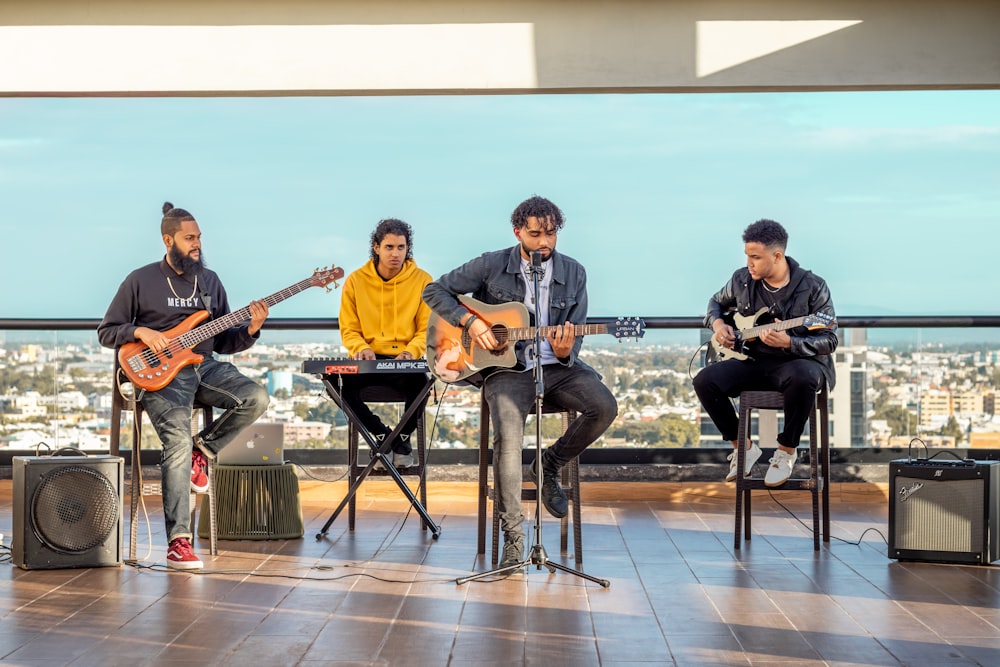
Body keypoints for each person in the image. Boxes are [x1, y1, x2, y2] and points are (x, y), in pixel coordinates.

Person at [422, 195, 618, 570]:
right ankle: (514, 536)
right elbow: (434, 291)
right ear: (518, 233)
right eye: (535, 234)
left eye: (551, 234)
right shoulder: (491, 263)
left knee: (604, 406)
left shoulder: (575, 273)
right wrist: (472, 322)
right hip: (505, 371)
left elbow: (573, 337)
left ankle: (548, 464)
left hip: (556, 368)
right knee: (508, 441)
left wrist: (563, 352)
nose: (544, 242)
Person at [98, 202, 270, 570]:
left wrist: (252, 329)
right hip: (160, 374)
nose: (197, 244)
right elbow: (107, 331)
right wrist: (140, 331)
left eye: (199, 238)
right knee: (174, 439)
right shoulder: (140, 280)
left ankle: (202, 450)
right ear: (168, 239)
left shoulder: (209, 281)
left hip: (204, 365)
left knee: (255, 396)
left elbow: (224, 341)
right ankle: (179, 541)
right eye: (189, 238)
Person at [693, 219, 837, 487]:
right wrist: (719, 324)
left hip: (798, 362)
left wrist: (789, 343)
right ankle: (743, 447)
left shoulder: (814, 286)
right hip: (754, 361)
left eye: (756, 257)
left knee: (803, 375)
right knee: (704, 380)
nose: (749, 263)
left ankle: (785, 452)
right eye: (747, 256)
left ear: (777, 255)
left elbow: (829, 338)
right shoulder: (741, 280)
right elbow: (715, 302)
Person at [337, 218, 433, 468]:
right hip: (368, 359)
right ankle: (382, 436)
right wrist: (361, 348)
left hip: (404, 360)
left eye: (401, 247)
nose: (395, 254)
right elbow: (348, 327)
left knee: (422, 385)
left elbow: (426, 329)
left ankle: (400, 438)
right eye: (389, 247)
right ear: (376, 247)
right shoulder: (356, 280)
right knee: (339, 386)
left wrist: (411, 352)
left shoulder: (423, 280)